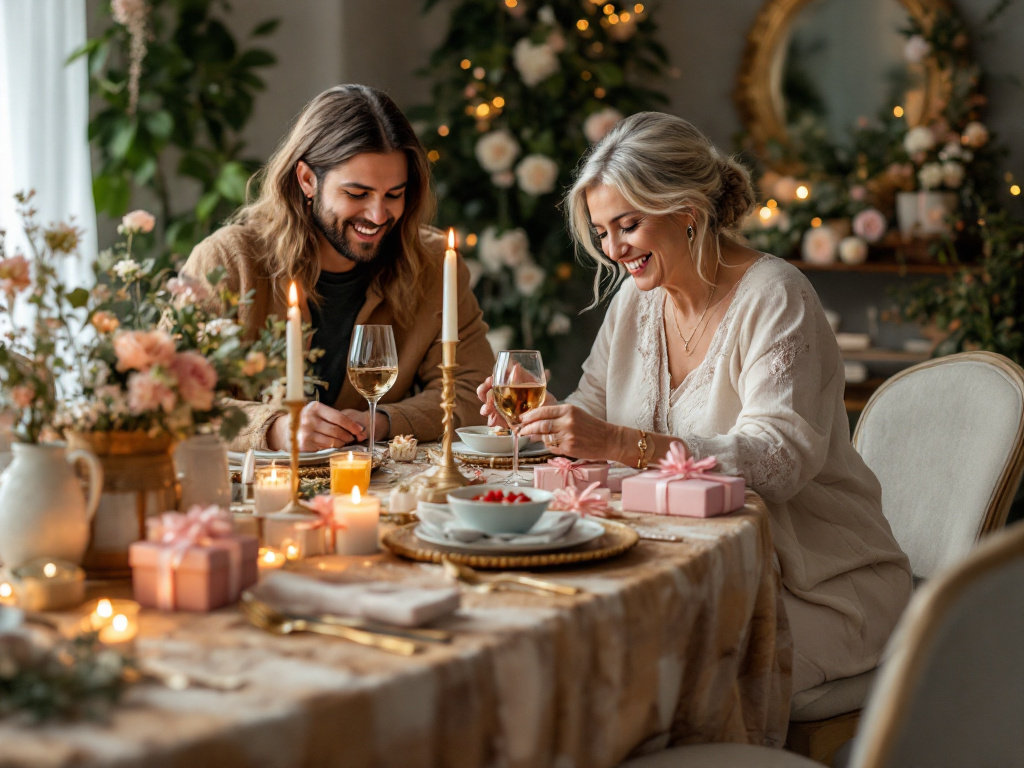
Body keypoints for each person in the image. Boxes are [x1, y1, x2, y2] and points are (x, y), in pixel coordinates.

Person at [478, 112, 912, 693]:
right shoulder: (635, 303)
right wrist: (540, 422)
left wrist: (617, 444)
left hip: (811, 583)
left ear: (685, 210)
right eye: (603, 232)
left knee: (648, 665)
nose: (614, 249)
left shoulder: (776, 297)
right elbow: (591, 408)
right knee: (568, 636)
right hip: (687, 568)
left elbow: (777, 461)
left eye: (626, 225)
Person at [182, 85, 495, 452]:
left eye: (394, 194)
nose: (379, 216)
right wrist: (275, 430)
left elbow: (474, 392)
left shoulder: (434, 263)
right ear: (307, 180)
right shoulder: (228, 262)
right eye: (357, 194)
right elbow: (168, 397)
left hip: (378, 492)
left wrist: (381, 420)